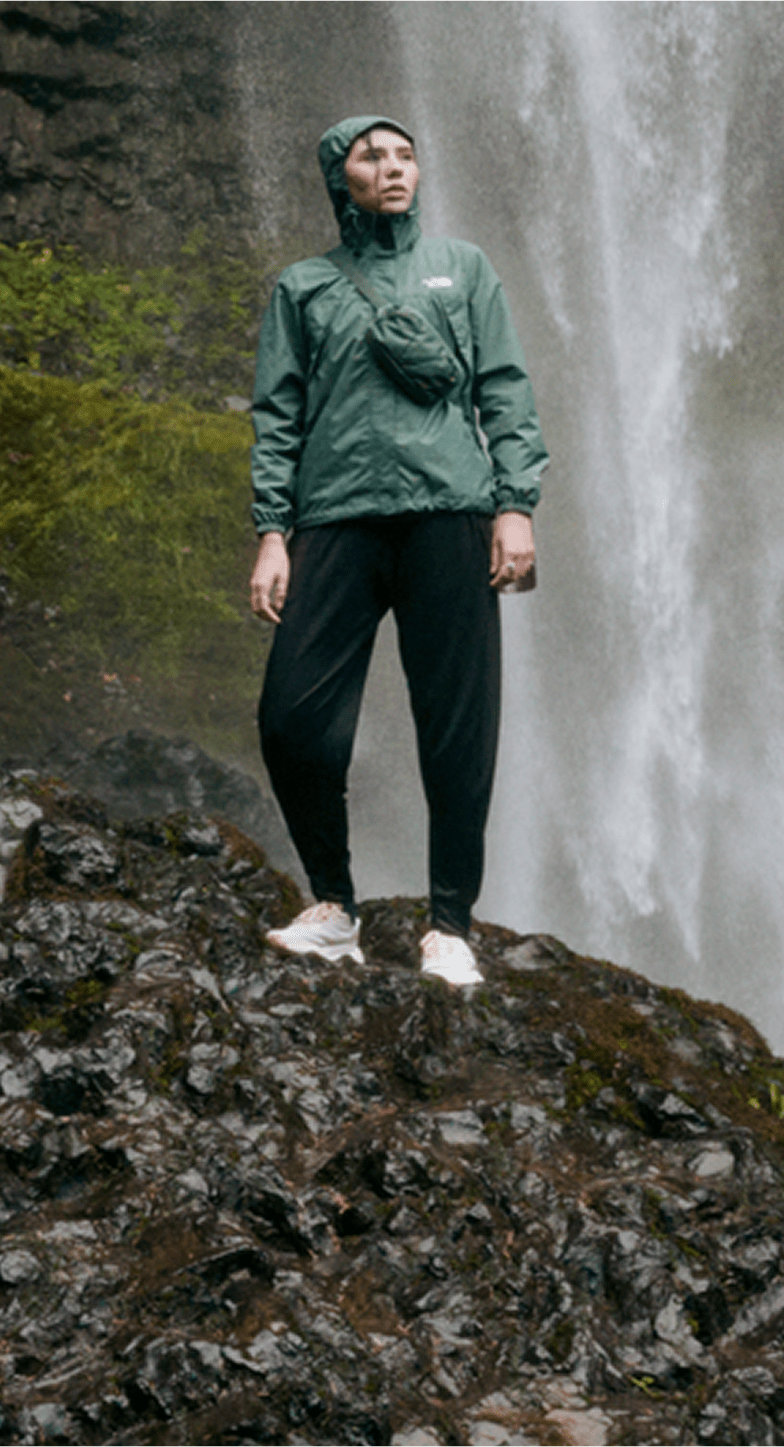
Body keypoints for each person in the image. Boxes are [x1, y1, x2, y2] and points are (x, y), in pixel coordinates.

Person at [249, 115, 548, 986]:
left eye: (405, 153)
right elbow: (277, 417)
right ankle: (333, 905)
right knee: (291, 717)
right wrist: (273, 531)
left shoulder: (464, 268)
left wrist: (514, 505)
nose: (392, 167)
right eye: (371, 155)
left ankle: (450, 923)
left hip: (448, 513)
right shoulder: (303, 287)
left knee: (456, 724)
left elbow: (504, 389)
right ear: (337, 175)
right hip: (335, 517)